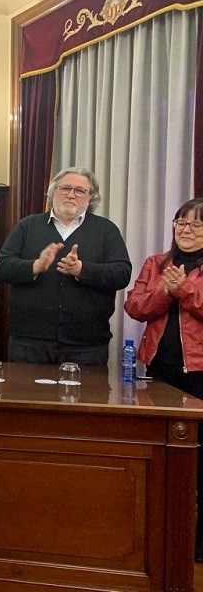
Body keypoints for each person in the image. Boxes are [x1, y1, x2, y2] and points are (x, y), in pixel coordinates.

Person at [124, 197, 203, 560]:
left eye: (196, 224)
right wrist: (164, 289)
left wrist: (183, 289)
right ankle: (158, 538)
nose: (186, 230)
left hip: (199, 376)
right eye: (181, 223)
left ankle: (196, 545)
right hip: (158, 373)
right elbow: (135, 307)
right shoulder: (157, 263)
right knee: (160, 458)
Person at [0, 167, 131, 365]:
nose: (71, 195)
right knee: (25, 387)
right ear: (53, 192)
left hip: (87, 345)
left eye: (80, 190)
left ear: (90, 197)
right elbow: (1, 267)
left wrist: (82, 270)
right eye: (65, 188)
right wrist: (35, 266)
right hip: (29, 342)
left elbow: (122, 273)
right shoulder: (27, 226)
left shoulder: (106, 230)